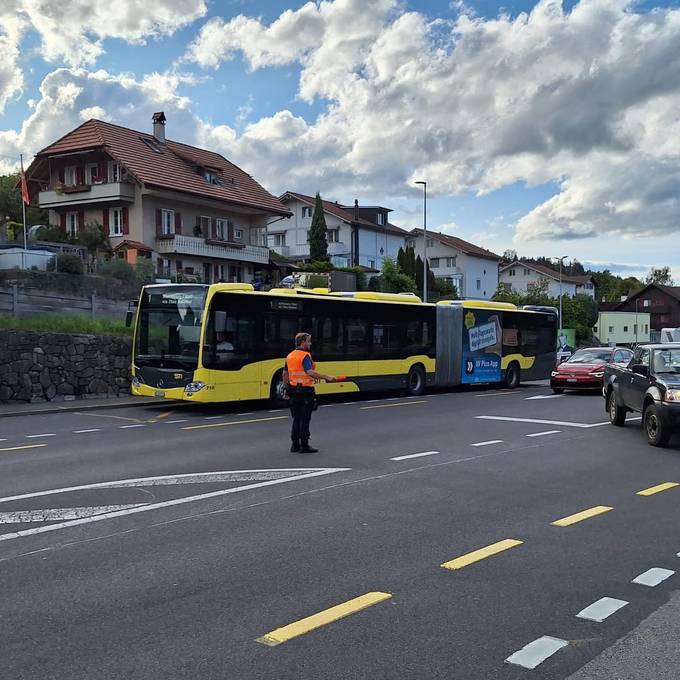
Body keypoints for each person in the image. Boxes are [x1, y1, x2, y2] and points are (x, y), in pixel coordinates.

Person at [284, 332, 337, 453]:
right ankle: (304, 445)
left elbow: (285, 374)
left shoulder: (290, 356)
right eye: (308, 341)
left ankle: (295, 445)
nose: (310, 343)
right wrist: (327, 377)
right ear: (302, 342)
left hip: (293, 391)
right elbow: (310, 372)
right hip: (305, 392)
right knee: (305, 418)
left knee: (296, 418)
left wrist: (286, 387)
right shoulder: (305, 356)